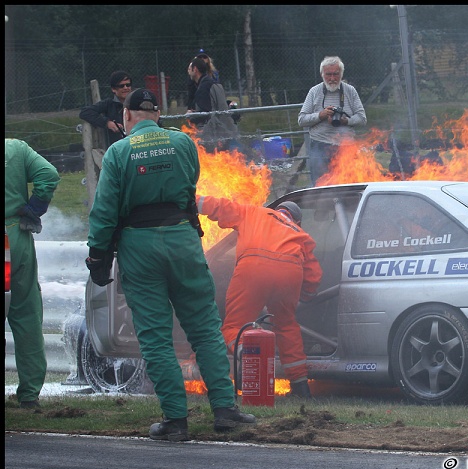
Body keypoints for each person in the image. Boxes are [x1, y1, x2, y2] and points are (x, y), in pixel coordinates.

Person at [86, 88, 256, 441]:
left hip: (139, 245)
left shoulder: (118, 152)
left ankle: (175, 421)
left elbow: (104, 212)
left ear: (128, 116)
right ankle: (224, 410)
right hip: (182, 240)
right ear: (158, 114)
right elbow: (189, 186)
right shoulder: (182, 144)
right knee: (205, 329)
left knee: (156, 336)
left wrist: (98, 256)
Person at [196, 197, 322, 399]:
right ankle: (300, 387)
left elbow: (221, 207)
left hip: (254, 268)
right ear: (296, 221)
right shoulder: (300, 233)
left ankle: (249, 358)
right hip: (290, 272)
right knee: (286, 325)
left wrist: (190, 199)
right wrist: (306, 296)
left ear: (278, 210)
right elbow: (313, 274)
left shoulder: (255, 212)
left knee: (233, 327)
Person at [5, 138, 61, 409]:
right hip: (15, 236)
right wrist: (33, 210)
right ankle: (29, 396)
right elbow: (49, 175)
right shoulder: (15, 148)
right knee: (26, 314)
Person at [298, 56, 367, 186]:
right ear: (321, 74)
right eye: (328, 74)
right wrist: (321, 115)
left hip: (345, 147)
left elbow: (362, 118)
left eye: (336, 74)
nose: (332, 78)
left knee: (348, 186)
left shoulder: (350, 91)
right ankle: (323, 206)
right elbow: (301, 120)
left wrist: (345, 121)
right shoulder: (314, 91)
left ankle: (348, 206)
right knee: (321, 187)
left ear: (341, 74)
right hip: (320, 146)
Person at [187, 56, 237, 149]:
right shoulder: (210, 83)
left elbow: (205, 115)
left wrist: (191, 116)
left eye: (189, 68)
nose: (188, 71)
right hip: (224, 131)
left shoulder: (204, 88)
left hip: (213, 136)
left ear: (195, 69)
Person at [79, 70, 132, 148]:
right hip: (116, 148)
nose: (125, 88)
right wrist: (107, 123)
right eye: (121, 86)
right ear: (113, 89)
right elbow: (85, 112)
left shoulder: (137, 102)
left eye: (128, 85)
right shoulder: (108, 104)